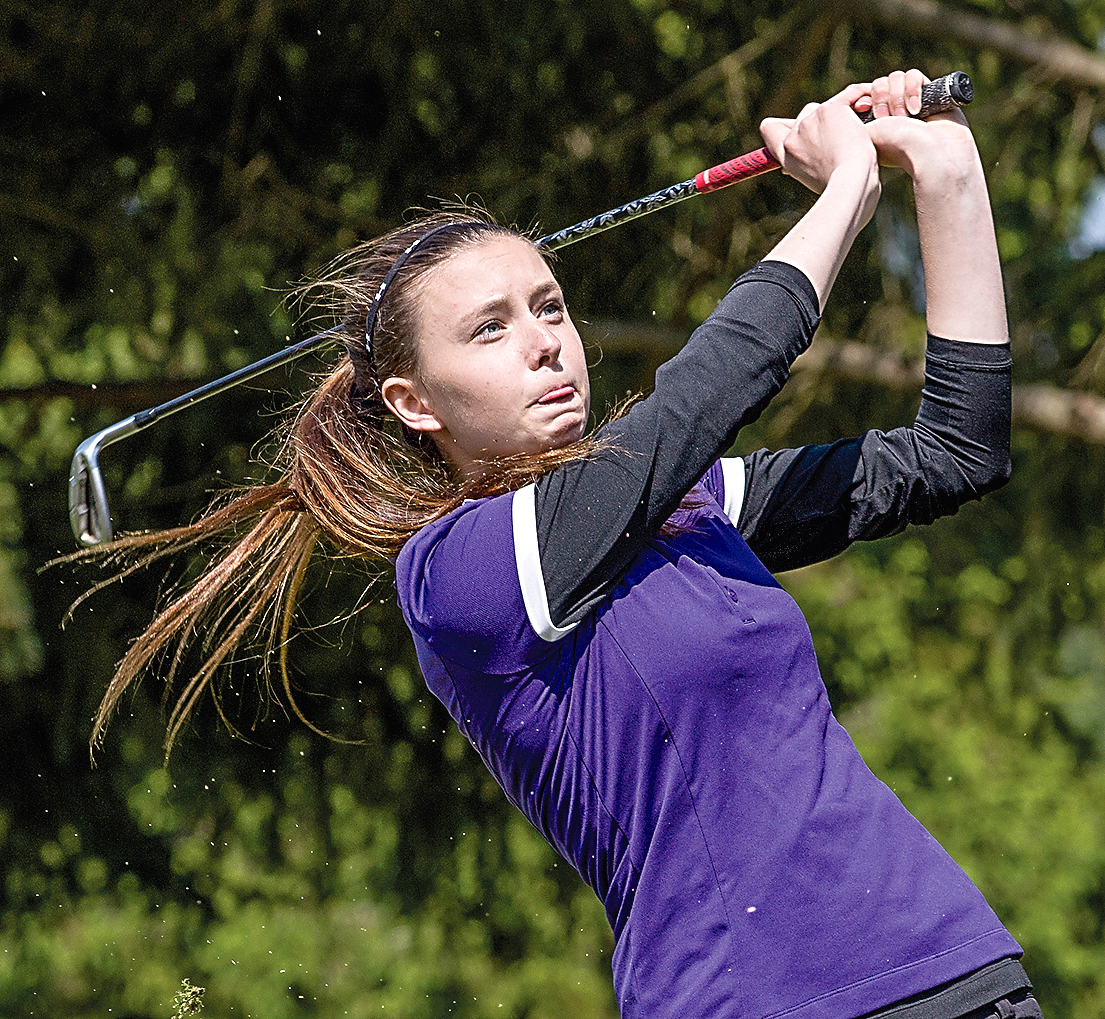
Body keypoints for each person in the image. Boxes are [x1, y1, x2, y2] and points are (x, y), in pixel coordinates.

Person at [87, 70, 1043, 1019]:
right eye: (489, 328)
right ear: (414, 403)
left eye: (549, 308)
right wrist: (841, 192)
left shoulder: (686, 507)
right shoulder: (459, 574)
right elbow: (697, 400)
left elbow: (952, 453)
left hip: (958, 970)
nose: (544, 341)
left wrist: (942, 170)